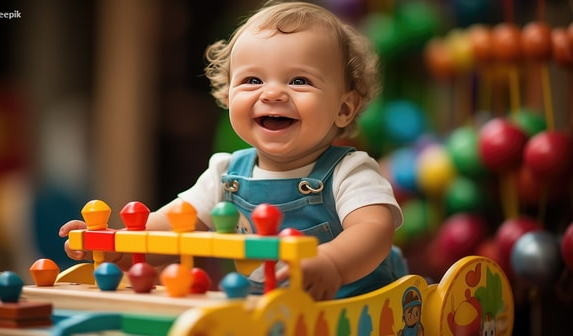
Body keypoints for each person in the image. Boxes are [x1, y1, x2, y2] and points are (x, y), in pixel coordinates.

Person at [59, 0, 405, 301]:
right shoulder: (225, 173)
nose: (272, 94)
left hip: (355, 309)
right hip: (267, 312)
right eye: (252, 81)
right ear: (228, 98)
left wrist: (332, 263)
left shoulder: (350, 170)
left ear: (344, 108)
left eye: (299, 81)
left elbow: (374, 230)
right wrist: (118, 247)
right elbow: (172, 228)